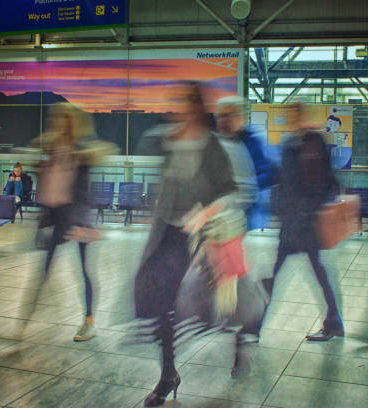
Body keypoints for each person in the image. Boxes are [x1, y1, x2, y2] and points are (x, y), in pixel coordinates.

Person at [134, 82, 236, 407]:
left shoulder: (211, 146)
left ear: (198, 108)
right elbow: (144, 143)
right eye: (180, 103)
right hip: (166, 233)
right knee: (158, 300)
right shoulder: (171, 141)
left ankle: (232, 341)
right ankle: (168, 373)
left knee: (193, 303)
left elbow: (228, 189)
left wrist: (205, 213)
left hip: (195, 235)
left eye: (189, 103)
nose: (183, 109)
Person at [17, 103, 114, 343]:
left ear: (71, 122)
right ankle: (22, 325)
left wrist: (79, 155)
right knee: (43, 271)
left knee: (84, 271)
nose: (58, 122)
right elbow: (47, 187)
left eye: (63, 118)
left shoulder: (81, 150)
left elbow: (104, 152)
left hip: (77, 220)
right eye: (56, 118)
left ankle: (89, 321)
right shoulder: (51, 148)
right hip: (58, 218)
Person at [263, 101, 344, 342]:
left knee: (314, 272)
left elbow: (328, 180)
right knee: (281, 272)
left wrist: (312, 208)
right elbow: (283, 180)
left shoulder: (314, 142)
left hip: (307, 223)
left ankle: (333, 322)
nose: (292, 119)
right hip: (292, 223)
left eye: (295, 114)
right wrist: (279, 206)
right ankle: (333, 322)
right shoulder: (289, 146)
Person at [215, 96, 276, 230]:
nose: (223, 121)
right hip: (222, 212)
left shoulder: (256, 140)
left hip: (248, 213)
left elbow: (269, 173)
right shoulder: (214, 143)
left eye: (228, 115)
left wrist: (245, 184)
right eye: (220, 116)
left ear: (240, 117)